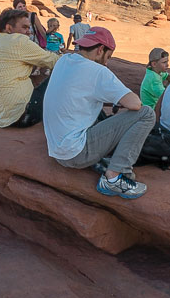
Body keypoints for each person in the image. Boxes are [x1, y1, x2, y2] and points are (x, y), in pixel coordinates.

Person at [44, 27, 155, 199]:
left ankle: (106, 165)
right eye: (108, 57)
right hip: (75, 153)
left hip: (56, 149)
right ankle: (114, 178)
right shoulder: (98, 72)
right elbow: (135, 104)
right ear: (100, 49)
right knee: (147, 114)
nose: (107, 62)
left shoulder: (64, 60)